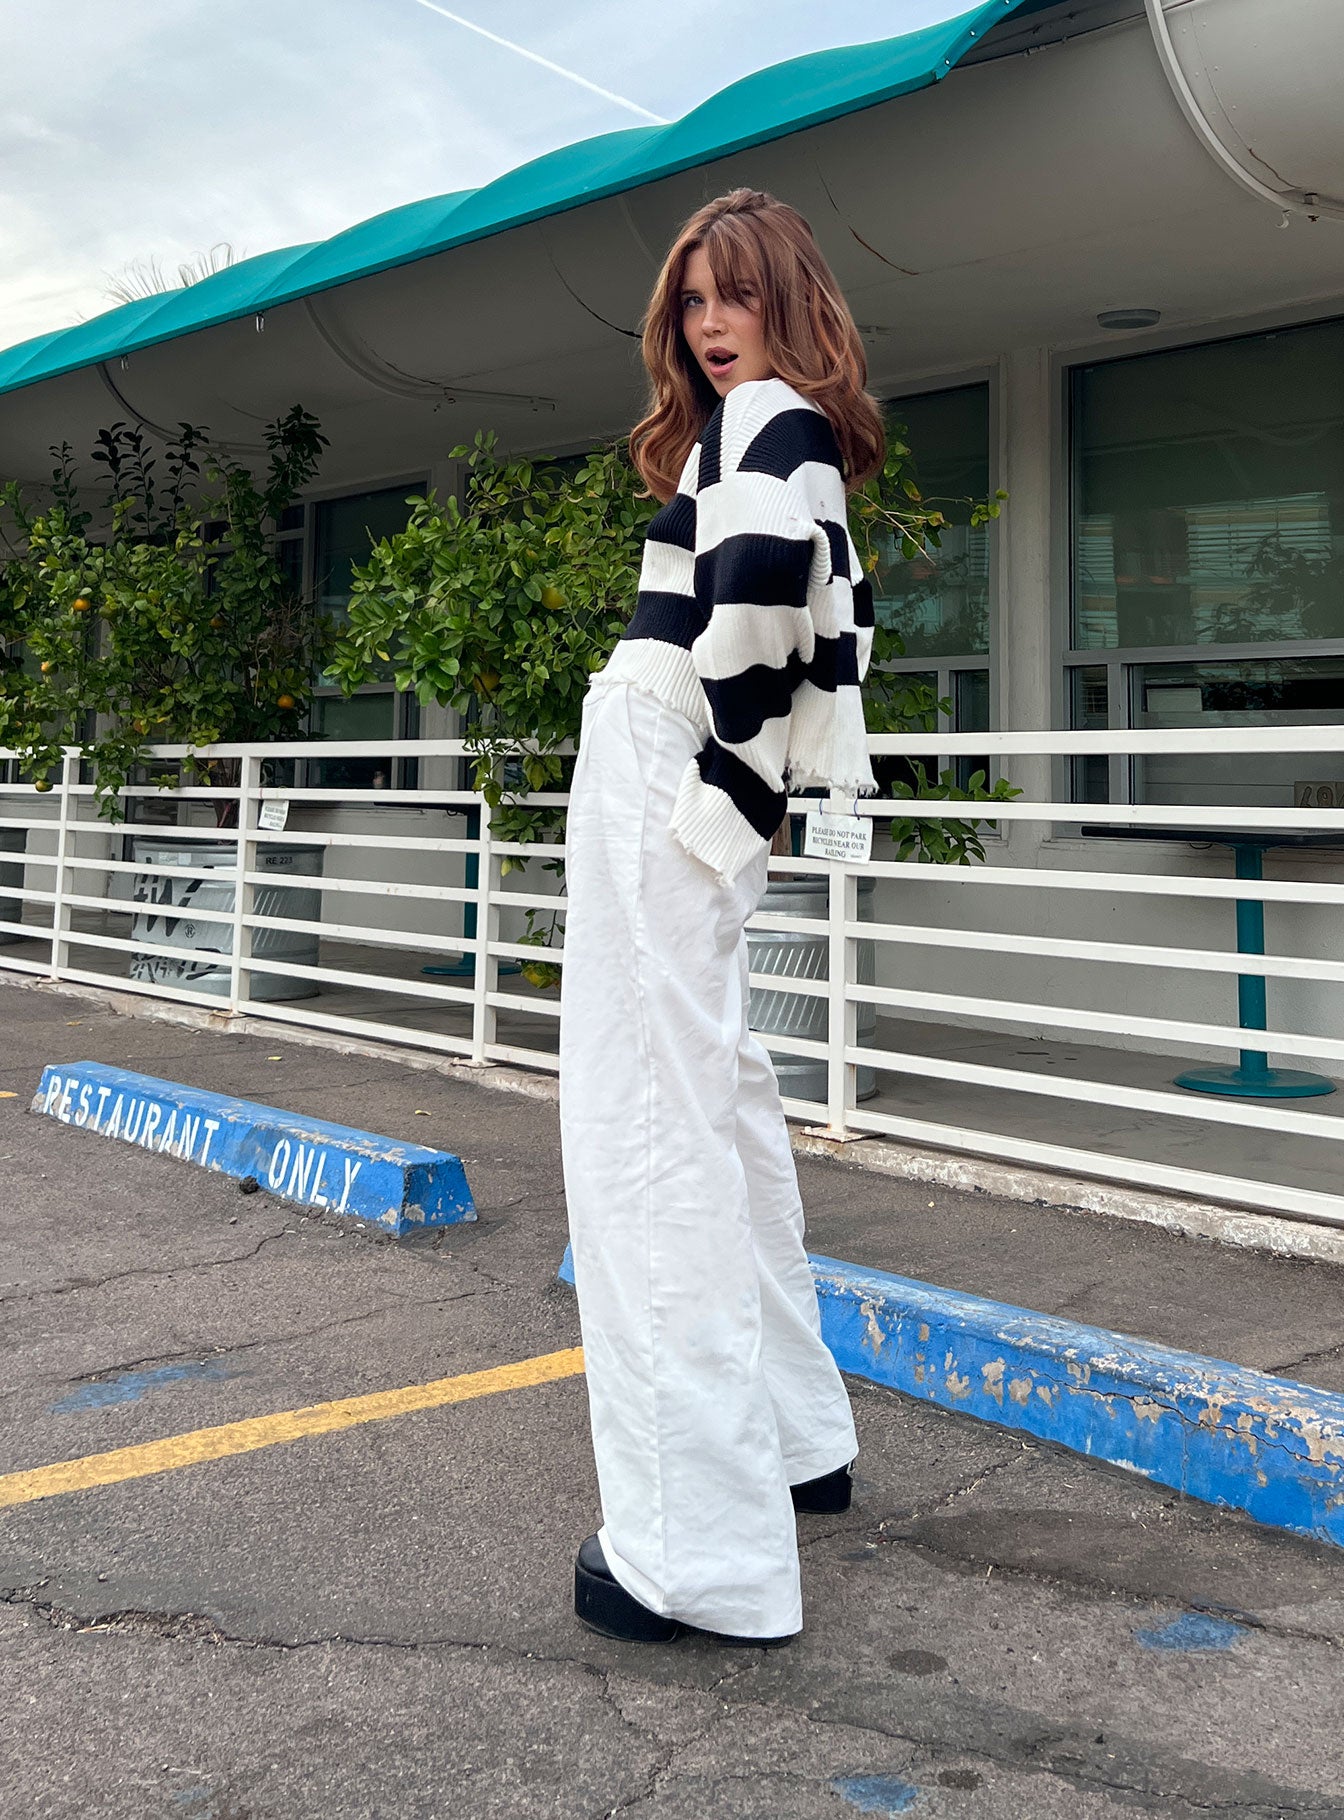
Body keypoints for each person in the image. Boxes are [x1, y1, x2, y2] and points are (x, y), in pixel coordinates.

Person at [559, 186, 887, 1646]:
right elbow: (817, 648)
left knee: (645, 1119)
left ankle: (692, 1555)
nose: (707, 325)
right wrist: (747, 796)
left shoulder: (760, 424)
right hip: (695, 774)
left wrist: (726, 796)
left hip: (668, 759)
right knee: (721, 1098)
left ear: (788, 298)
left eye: (734, 294)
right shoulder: (792, 433)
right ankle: (797, 1441)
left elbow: (754, 623)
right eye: (691, 301)